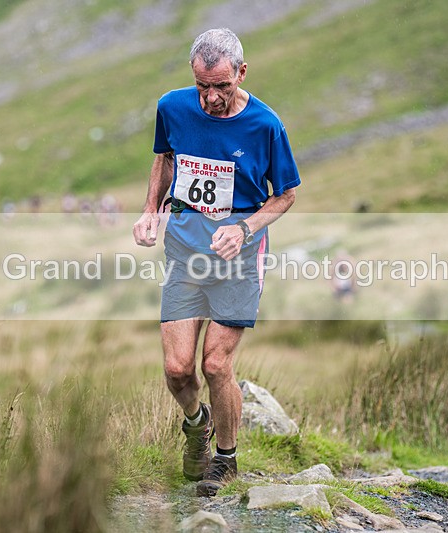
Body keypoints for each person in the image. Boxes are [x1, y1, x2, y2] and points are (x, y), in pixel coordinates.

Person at [132, 28, 301, 496]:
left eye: (221, 87)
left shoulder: (267, 125)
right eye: (203, 86)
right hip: (185, 253)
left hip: (240, 259)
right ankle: (196, 425)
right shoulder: (172, 107)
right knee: (177, 369)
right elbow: (164, 157)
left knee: (215, 365)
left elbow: (285, 196)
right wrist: (151, 209)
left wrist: (245, 228)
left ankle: (225, 461)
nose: (210, 98)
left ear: (241, 73)